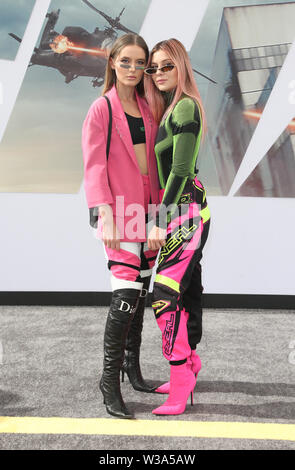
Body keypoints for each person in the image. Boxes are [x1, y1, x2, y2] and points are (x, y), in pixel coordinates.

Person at [82, 33, 162, 419]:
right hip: (118, 212)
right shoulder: (101, 108)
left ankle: (133, 370)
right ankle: (109, 380)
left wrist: (160, 217)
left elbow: (157, 169)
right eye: (125, 61)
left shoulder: (148, 108)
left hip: (148, 211)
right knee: (125, 295)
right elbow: (94, 165)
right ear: (113, 62)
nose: (133, 69)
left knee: (141, 295)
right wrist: (106, 213)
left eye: (139, 62)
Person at [144, 38, 211, 415]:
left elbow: (182, 171)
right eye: (154, 68)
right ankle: (188, 365)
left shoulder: (185, 106)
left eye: (167, 66)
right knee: (185, 292)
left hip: (185, 211)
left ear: (182, 66)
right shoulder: (174, 107)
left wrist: (159, 219)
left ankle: (181, 376)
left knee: (164, 295)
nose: (158, 74)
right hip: (185, 209)